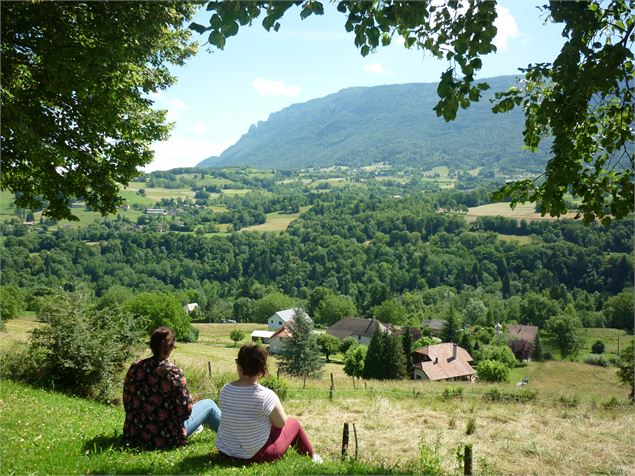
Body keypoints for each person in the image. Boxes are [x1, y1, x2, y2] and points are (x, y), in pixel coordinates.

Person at [215, 344, 322, 463]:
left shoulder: (225, 389)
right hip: (255, 455)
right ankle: (313, 457)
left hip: (225, 452)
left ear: (239, 366)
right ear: (261, 369)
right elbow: (281, 424)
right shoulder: (266, 395)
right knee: (293, 423)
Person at [123, 326, 221, 449]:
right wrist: (189, 401)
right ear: (170, 348)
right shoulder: (173, 371)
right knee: (209, 404)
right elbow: (185, 411)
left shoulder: (135, 367)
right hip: (165, 437)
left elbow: (127, 401)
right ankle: (236, 437)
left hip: (135, 434)